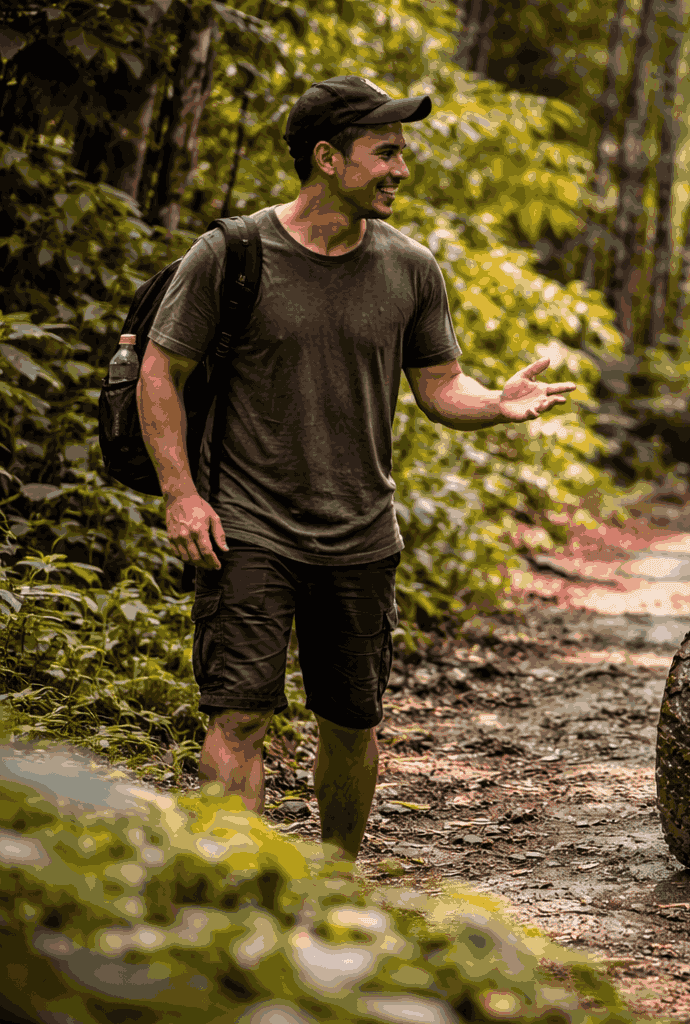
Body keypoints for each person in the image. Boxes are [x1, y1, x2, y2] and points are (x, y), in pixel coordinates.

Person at [138, 75, 576, 864]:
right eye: (387, 152)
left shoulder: (411, 268)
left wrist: (498, 403)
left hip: (363, 535)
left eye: (404, 152)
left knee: (351, 721)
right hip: (247, 529)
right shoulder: (231, 254)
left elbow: (441, 387)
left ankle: (333, 888)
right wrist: (181, 496)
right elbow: (159, 372)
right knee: (238, 715)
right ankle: (238, 898)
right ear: (328, 158)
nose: (402, 168)